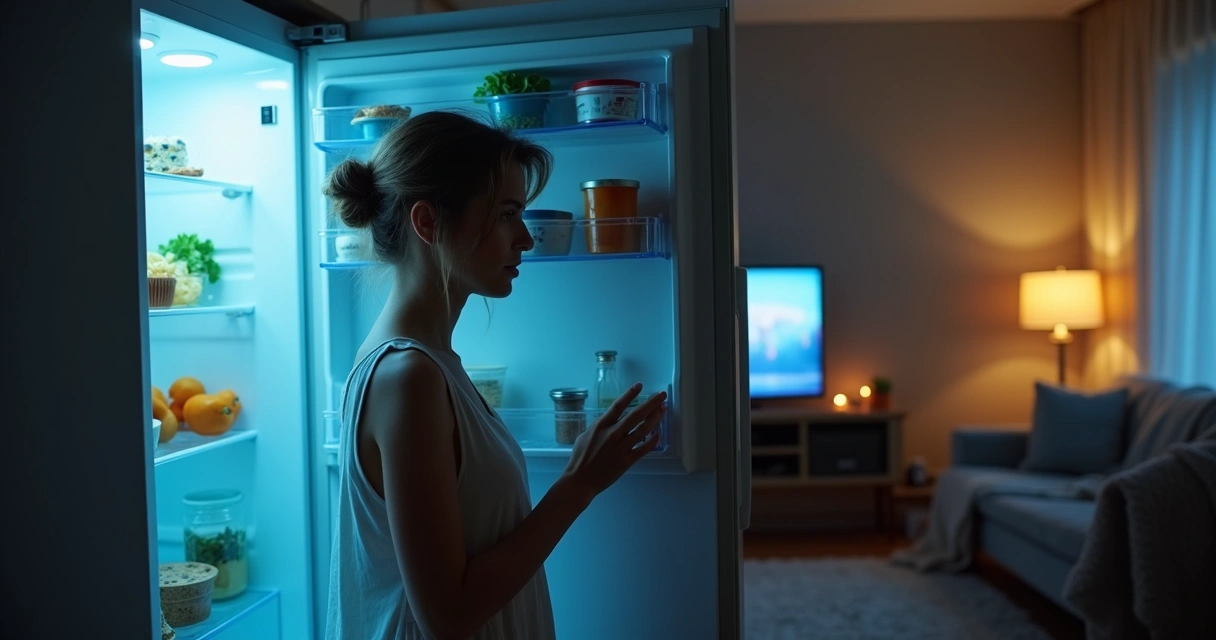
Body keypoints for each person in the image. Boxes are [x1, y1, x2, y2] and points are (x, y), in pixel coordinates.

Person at [322, 110, 668, 640]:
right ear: (428, 223)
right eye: (506, 214)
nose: (525, 239)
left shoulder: (429, 364)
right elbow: (449, 615)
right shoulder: (408, 375)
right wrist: (579, 485)